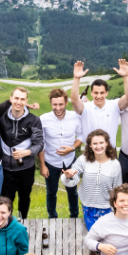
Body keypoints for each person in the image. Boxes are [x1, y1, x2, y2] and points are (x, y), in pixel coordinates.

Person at [0, 87, 44, 217]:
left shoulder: (34, 120)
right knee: (6, 200)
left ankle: (23, 221)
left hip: (26, 167)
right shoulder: (1, 117)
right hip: (6, 167)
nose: (19, 102)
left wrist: (27, 152)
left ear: (26, 101)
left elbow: (40, 144)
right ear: (10, 99)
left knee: (24, 197)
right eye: (16, 98)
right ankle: (6, 225)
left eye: (22, 99)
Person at [65, 129, 125, 230]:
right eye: (95, 143)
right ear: (90, 145)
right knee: (94, 234)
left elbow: (118, 189)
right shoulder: (83, 160)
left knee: (107, 235)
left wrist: (117, 209)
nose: (98, 146)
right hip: (88, 207)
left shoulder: (115, 164)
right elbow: (72, 179)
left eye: (101, 143)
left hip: (107, 208)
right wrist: (68, 176)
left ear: (106, 143)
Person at [39, 87, 83, 217]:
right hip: (51, 162)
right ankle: (52, 217)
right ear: (51, 104)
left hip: (70, 161)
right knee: (51, 192)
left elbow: (81, 135)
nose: (58, 108)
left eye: (60, 104)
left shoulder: (74, 117)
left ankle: (74, 216)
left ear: (66, 103)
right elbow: (41, 143)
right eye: (55, 104)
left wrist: (73, 147)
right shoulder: (43, 119)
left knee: (72, 191)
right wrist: (42, 165)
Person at [70, 64, 121, 157]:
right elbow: (74, 100)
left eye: (102, 93)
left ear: (106, 93)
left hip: (110, 151)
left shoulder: (113, 105)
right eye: (96, 93)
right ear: (91, 93)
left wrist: (125, 76)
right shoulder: (85, 107)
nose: (98, 96)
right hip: (90, 152)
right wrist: (76, 78)